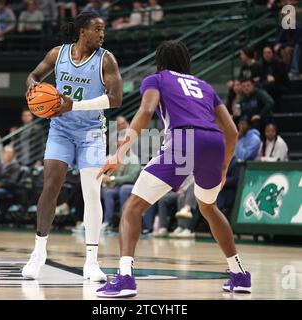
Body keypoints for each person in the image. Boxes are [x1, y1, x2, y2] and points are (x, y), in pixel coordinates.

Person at [96, 41, 251, 297]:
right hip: (214, 143)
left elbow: (146, 111)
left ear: (160, 61)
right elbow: (232, 132)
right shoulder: (205, 86)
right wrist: (223, 168)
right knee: (209, 208)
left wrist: (119, 153)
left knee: (132, 208)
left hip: (185, 141)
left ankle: (125, 278)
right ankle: (239, 274)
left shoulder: (156, 79)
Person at [21, 12, 123, 282]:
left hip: (91, 133)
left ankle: (91, 261)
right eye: (97, 29)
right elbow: (33, 75)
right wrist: (33, 88)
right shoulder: (58, 54)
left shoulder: (106, 59)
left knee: (91, 192)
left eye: (103, 30)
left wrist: (73, 105)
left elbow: (115, 99)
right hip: (61, 130)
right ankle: (38, 252)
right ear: (82, 31)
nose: (102, 34)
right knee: (50, 187)